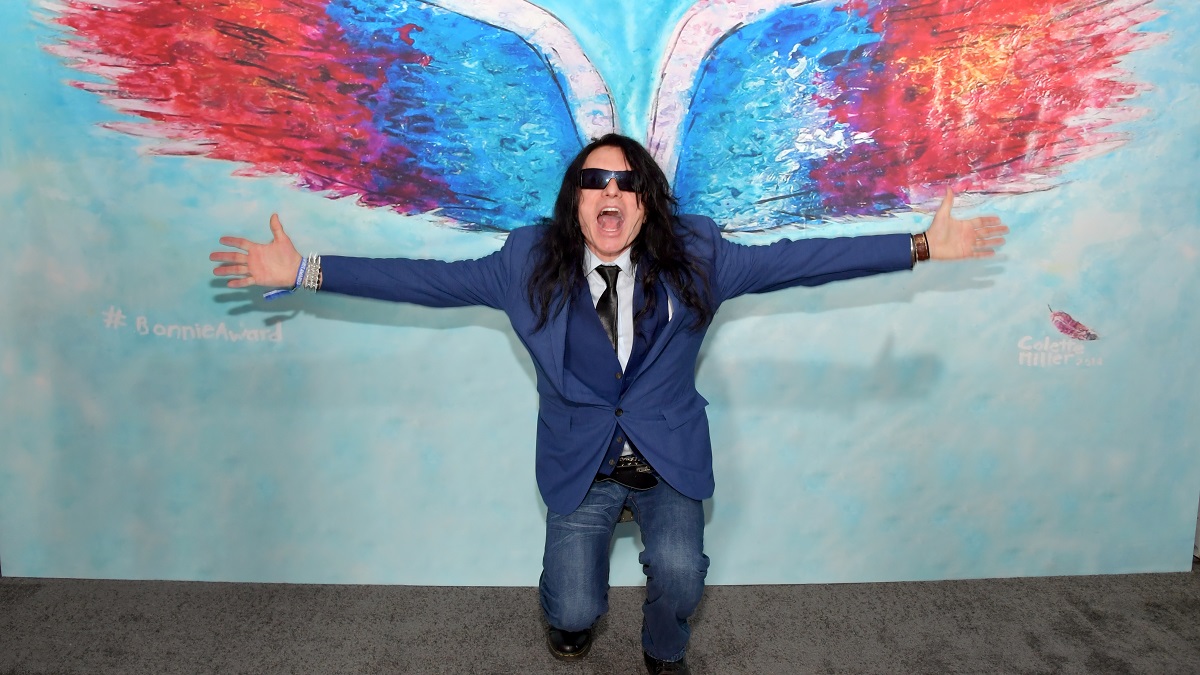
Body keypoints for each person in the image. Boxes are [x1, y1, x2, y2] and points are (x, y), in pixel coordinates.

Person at [211, 133, 1007, 674]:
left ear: (648, 201)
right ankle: (564, 601)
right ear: (576, 199)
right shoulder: (524, 263)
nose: (611, 192)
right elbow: (424, 280)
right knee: (576, 609)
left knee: (681, 576)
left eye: (627, 182)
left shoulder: (700, 255)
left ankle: (665, 649)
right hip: (580, 468)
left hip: (668, 460)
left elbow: (802, 261)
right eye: (595, 179)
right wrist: (306, 268)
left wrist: (921, 245)